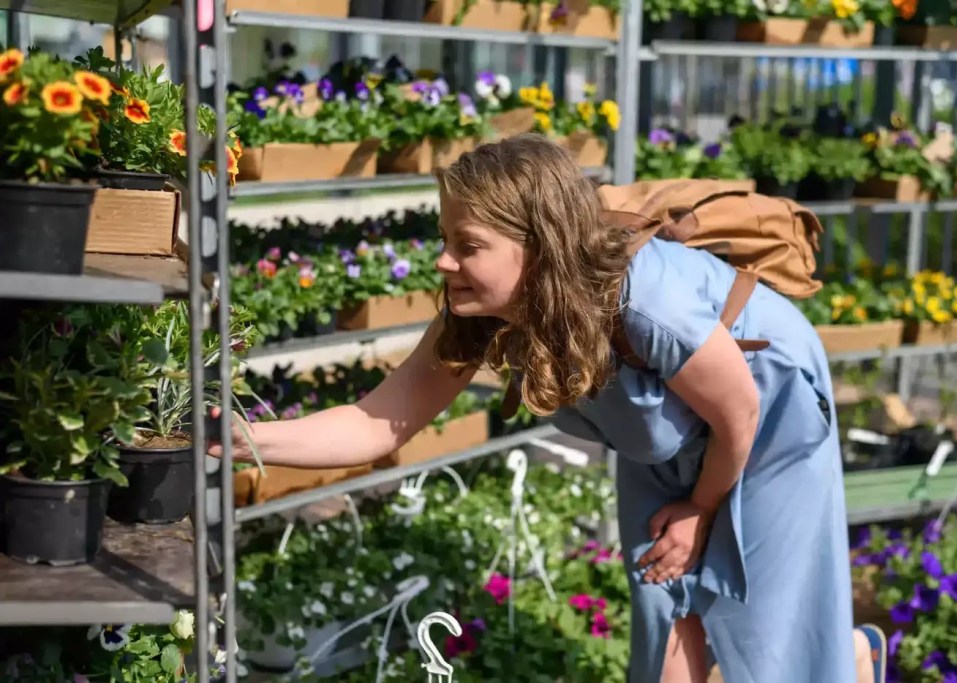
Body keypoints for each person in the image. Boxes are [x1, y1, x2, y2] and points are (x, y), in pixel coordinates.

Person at [212, 134, 887, 683]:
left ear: (538, 248)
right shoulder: (478, 309)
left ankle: (851, 659)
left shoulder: (648, 303)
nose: (445, 261)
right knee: (665, 616)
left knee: (773, 637)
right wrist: (244, 437)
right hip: (663, 426)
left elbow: (738, 410)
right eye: (446, 237)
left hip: (766, 413)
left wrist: (701, 509)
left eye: (468, 244)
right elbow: (377, 421)